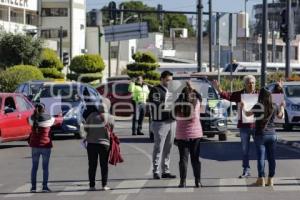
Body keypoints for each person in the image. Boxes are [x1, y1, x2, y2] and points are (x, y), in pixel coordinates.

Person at [212, 75, 257, 178]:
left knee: (260, 149)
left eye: (253, 83)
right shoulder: (240, 94)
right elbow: (227, 95)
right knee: (245, 150)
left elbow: (270, 100)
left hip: (256, 126)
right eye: (249, 83)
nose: (251, 85)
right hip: (244, 126)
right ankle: (246, 170)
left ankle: (261, 171)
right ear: (245, 84)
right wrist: (219, 89)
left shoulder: (258, 94)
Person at [242, 88, 284, 187]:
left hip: (260, 134)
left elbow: (247, 114)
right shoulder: (274, 105)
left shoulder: (258, 106)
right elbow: (280, 116)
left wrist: (243, 107)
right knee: (271, 157)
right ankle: (271, 179)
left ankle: (261, 179)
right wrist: (282, 107)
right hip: (272, 134)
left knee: (261, 157)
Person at [174, 81, 203, 188]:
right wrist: (193, 89)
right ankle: (198, 181)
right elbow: (200, 98)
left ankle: (182, 182)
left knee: (183, 159)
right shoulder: (196, 104)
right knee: (195, 159)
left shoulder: (177, 106)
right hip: (195, 135)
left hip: (181, 135)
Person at [148, 70, 177, 180]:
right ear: (162, 79)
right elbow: (157, 105)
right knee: (158, 147)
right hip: (160, 122)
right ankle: (156, 171)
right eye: (168, 80)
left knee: (168, 148)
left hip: (172, 121)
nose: (170, 83)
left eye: (171, 81)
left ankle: (166, 170)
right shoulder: (155, 90)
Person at [84, 104, 114, 191]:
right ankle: (104, 185)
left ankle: (92, 186)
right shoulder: (110, 117)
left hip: (91, 144)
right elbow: (111, 130)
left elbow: (85, 129)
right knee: (104, 165)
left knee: (92, 165)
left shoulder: (91, 116)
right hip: (104, 144)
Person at [28, 103, 55, 193]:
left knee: (34, 167)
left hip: (35, 146)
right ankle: (44, 187)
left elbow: (28, 120)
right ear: (44, 109)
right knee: (45, 167)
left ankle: (33, 187)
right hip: (45, 145)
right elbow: (54, 120)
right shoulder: (49, 118)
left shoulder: (31, 118)